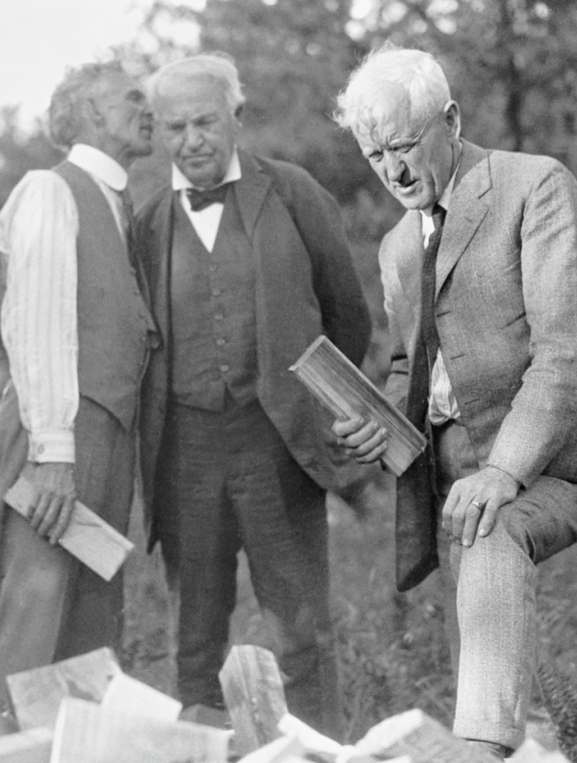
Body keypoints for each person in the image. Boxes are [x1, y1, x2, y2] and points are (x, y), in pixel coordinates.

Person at [332, 46, 577, 758]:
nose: (393, 171)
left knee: (489, 537)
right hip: (450, 481)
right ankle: (513, 744)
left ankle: (477, 754)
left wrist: (502, 471)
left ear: (452, 119)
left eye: (404, 146)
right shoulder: (398, 246)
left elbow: (570, 353)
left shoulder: (536, 188)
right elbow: (413, 363)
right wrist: (379, 425)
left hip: (555, 466)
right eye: (374, 155)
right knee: (484, 669)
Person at [134, 53, 372, 739]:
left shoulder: (293, 193)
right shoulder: (147, 223)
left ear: (235, 117)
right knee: (195, 644)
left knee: (301, 636)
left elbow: (346, 315)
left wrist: (316, 412)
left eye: (205, 121)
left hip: (278, 449)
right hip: (185, 459)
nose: (191, 140)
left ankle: (318, 753)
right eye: (174, 127)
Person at [0, 61, 157, 709]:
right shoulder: (51, 190)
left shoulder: (119, 204)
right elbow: (37, 322)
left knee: (88, 631)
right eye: (134, 95)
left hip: (104, 433)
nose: (150, 106)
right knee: (35, 624)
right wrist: (53, 453)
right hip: (59, 434)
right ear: (88, 110)